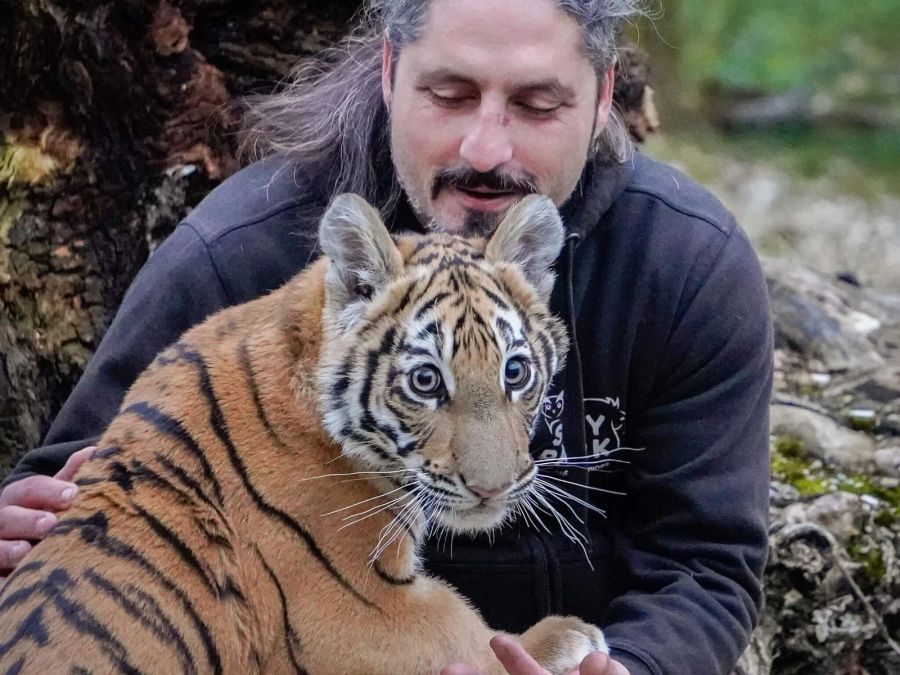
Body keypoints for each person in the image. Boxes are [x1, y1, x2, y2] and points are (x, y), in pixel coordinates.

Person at [0, 1, 773, 673]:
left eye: (538, 104)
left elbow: (706, 561)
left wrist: (629, 667)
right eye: (450, 93)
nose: (486, 149)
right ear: (390, 73)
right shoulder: (240, 255)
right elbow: (60, 490)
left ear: (604, 97)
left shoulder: (684, 266)